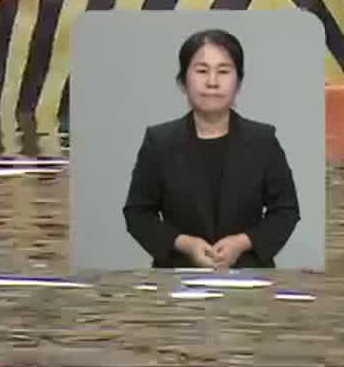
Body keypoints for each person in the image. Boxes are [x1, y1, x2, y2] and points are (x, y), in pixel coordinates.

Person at [123, 29, 299, 269]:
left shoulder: (263, 140)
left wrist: (243, 242)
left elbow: (286, 211)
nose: (212, 82)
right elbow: (138, 214)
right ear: (184, 81)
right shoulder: (159, 142)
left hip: (249, 276)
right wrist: (184, 243)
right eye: (202, 71)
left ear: (238, 82)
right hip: (177, 274)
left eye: (223, 71)